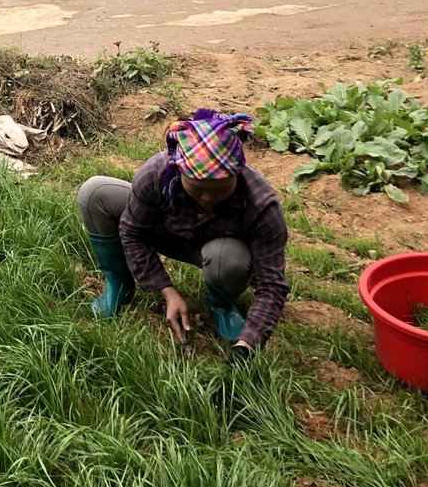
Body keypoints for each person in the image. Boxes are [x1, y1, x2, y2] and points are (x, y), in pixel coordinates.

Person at [77, 108, 288, 362]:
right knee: (94, 193)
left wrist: (248, 343)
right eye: (197, 188)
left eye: (221, 190)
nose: (208, 198)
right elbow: (132, 231)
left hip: (217, 250)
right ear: (179, 170)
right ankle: (118, 283)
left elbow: (271, 285)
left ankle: (222, 305)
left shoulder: (261, 204)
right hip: (165, 232)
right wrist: (166, 290)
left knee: (229, 260)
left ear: (237, 173)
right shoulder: (156, 174)